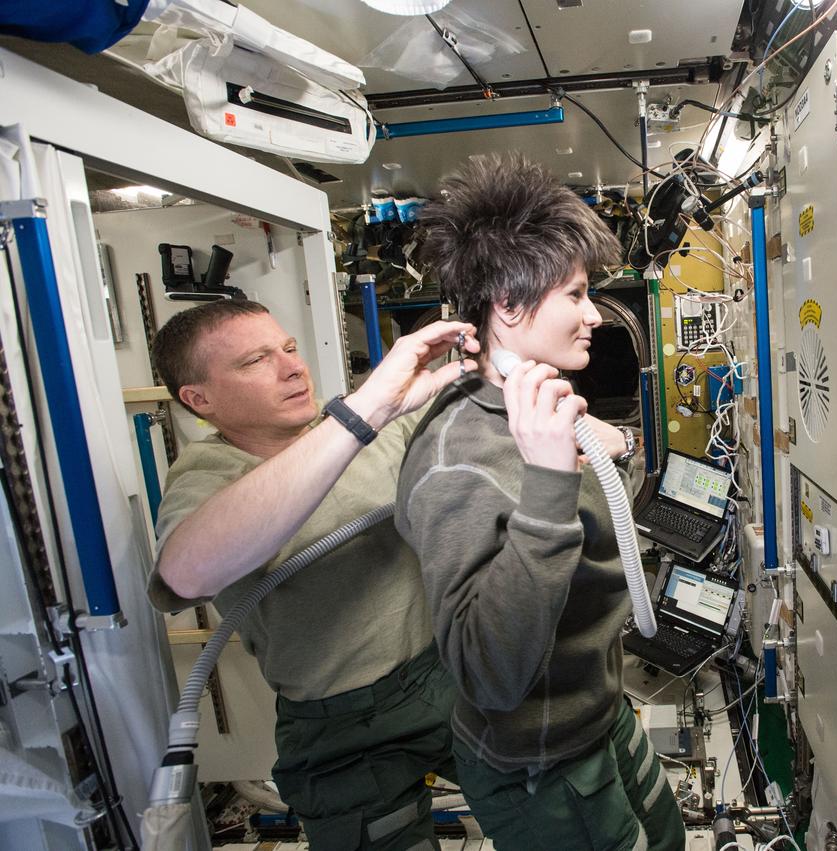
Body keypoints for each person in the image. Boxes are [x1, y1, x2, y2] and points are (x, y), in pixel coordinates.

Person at [395, 153, 684, 851]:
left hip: (598, 715)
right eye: (577, 294)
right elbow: (489, 674)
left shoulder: (539, 407)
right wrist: (552, 482)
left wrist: (603, 448)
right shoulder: (457, 460)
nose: (593, 314)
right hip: (539, 763)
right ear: (509, 304)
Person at [147, 298, 479, 850]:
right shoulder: (210, 472)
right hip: (343, 724)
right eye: (255, 361)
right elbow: (187, 575)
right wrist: (361, 412)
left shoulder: (360, 422)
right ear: (199, 399)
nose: (293, 367)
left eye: (290, 348)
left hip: (442, 672)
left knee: (560, 799)